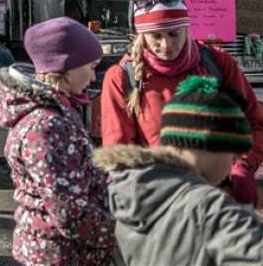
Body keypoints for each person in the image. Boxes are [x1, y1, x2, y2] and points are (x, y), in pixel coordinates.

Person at [100, 0, 263, 207]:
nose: (166, 44)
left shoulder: (218, 63)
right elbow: (120, 154)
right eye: (156, 36)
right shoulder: (121, 78)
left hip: (220, 198)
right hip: (163, 203)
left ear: (187, 28)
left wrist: (242, 167)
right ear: (141, 35)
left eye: (173, 34)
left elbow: (255, 123)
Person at [94, 76, 263, 265]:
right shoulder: (209, 208)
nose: (234, 164)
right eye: (233, 155)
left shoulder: (125, 194)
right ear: (208, 144)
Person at [0, 17, 116, 265]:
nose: (93, 77)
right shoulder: (47, 126)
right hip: (59, 254)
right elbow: (69, 212)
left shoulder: (54, 113)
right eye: (91, 66)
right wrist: (126, 234)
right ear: (67, 67)